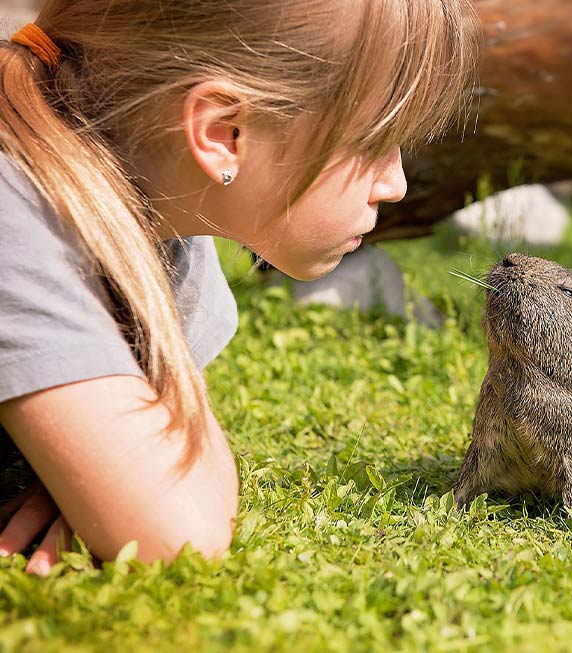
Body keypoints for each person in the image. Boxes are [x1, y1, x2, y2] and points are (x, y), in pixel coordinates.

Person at [0, 0, 479, 575]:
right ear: (223, 132)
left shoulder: (169, 233)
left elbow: (155, 475)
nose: (395, 183)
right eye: (373, 140)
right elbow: (180, 532)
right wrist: (130, 482)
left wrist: (87, 468)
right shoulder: (16, 214)